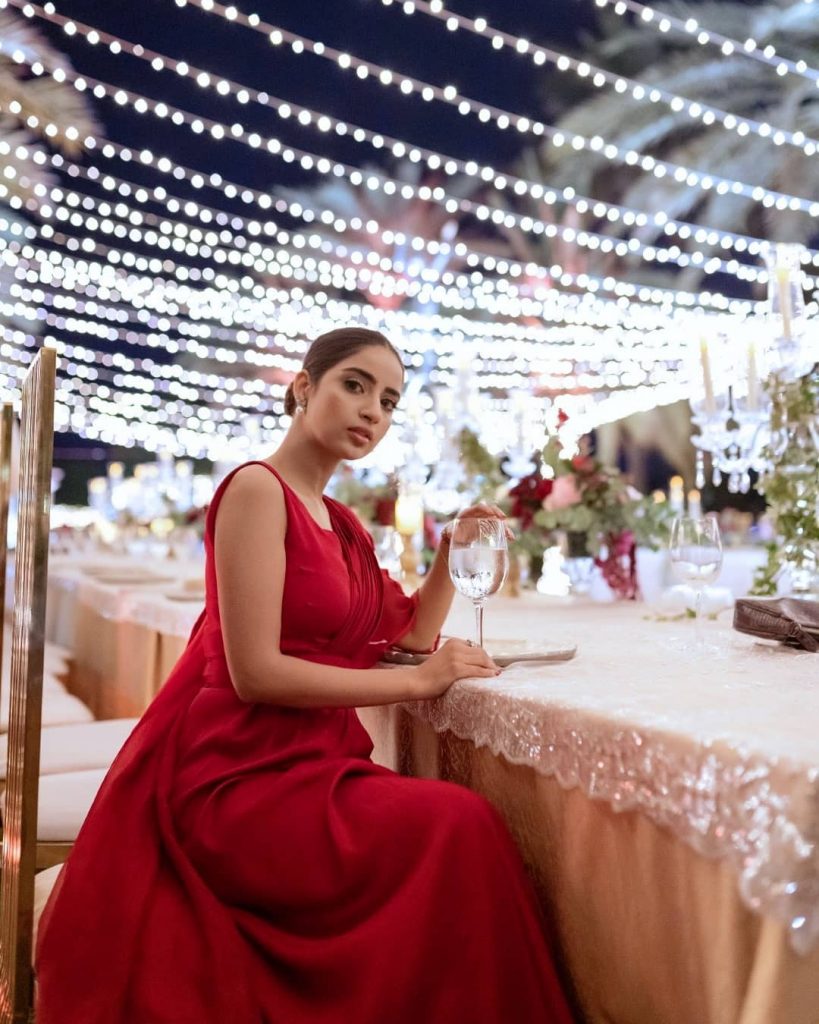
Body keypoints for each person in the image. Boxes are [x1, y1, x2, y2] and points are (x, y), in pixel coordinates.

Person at [36, 327, 574, 1023]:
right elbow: (255, 673)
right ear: (302, 387)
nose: (371, 411)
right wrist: (418, 682)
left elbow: (407, 632)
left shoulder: (342, 523)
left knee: (456, 823)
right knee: (456, 822)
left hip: (308, 764)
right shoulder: (256, 490)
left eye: (387, 400)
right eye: (354, 385)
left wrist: (449, 555)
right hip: (236, 776)